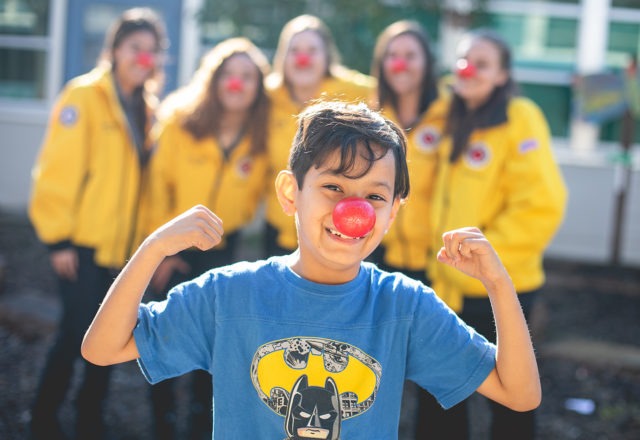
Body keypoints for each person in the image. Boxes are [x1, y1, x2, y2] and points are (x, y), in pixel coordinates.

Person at [81, 100, 541, 439]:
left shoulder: (405, 306)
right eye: (333, 186)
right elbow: (103, 349)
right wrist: (152, 249)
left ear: (393, 212)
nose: (353, 211)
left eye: (374, 197)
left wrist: (499, 285)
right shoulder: (229, 295)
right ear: (290, 193)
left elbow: (520, 395)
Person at [27, 7, 168, 440]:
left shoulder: (147, 108)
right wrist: (58, 241)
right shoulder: (84, 96)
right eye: (134, 48)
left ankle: (90, 420)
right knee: (74, 335)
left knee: (108, 339)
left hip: (121, 252)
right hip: (81, 245)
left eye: (151, 51)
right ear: (114, 49)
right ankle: (43, 420)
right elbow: (57, 171)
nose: (142, 58)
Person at [421, 30, 568, 440]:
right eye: (464, 59)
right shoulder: (448, 113)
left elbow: (541, 205)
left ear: (503, 75)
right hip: (448, 286)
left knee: (511, 402)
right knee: (448, 395)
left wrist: (485, 263)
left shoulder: (520, 116)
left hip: (501, 288)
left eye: (482, 64)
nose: (468, 69)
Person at [144, 37, 271, 440]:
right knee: (165, 339)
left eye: (247, 76)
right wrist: (163, 250)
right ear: (214, 80)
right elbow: (154, 189)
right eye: (229, 75)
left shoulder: (261, 136)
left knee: (214, 349)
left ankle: (201, 427)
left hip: (225, 250)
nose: (237, 83)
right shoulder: (181, 119)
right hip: (174, 250)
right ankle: (162, 425)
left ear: (258, 85)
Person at [264, 14, 375, 257]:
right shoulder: (267, 95)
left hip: (334, 227)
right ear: (283, 57)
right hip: (280, 229)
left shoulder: (356, 91)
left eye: (312, 50)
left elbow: (397, 88)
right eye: (295, 51)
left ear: (327, 56)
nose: (303, 58)